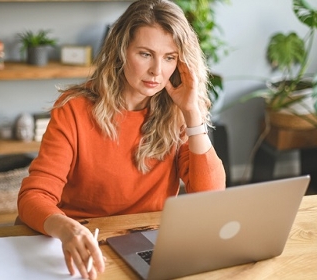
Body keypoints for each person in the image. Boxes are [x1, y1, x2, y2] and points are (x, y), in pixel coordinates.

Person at [17, 0, 226, 278]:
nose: (157, 71)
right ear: (121, 51)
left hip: (148, 243)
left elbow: (210, 200)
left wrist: (191, 112)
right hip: (79, 242)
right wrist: (66, 228)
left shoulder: (180, 112)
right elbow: (35, 195)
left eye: (169, 57)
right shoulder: (74, 109)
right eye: (145, 54)